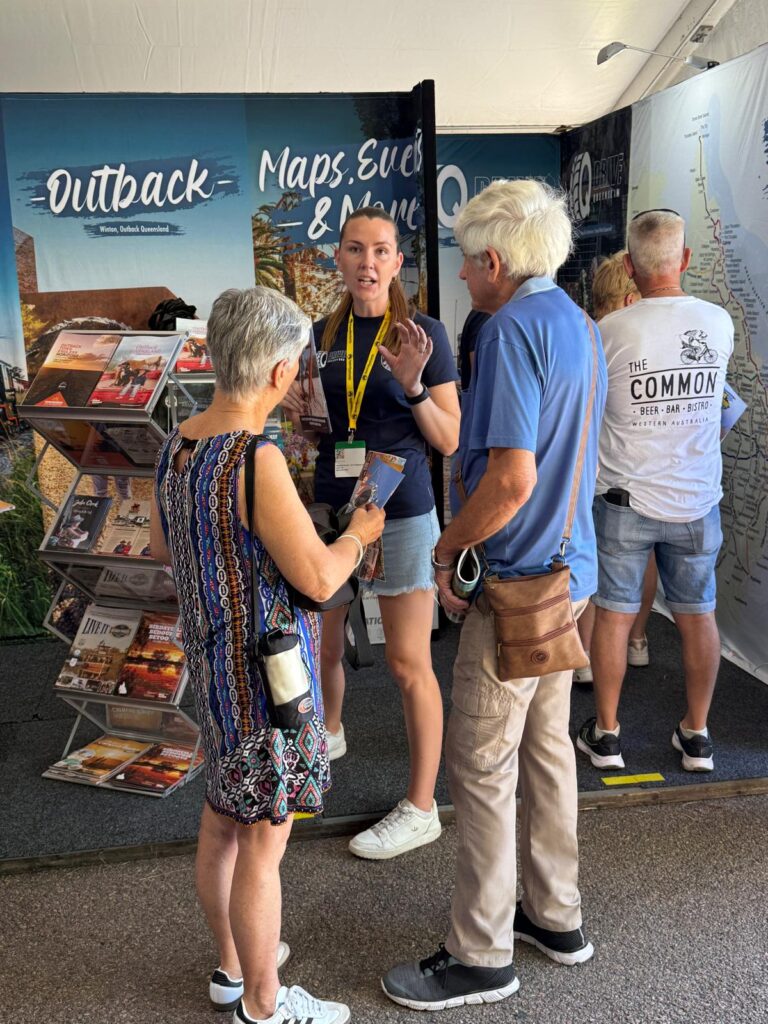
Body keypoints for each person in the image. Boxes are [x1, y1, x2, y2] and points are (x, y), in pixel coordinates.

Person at [382, 179, 606, 1010]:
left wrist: (448, 546)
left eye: (468, 262)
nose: (464, 277)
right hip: (569, 579)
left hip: (514, 585)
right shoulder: (577, 324)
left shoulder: (508, 329)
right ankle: (556, 916)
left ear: (496, 261)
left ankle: (480, 953)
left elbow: (510, 477)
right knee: (548, 752)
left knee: (480, 767)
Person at [151, 286, 384, 1024]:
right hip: (267, 680)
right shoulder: (257, 459)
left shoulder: (178, 443)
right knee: (263, 841)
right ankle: (264, 1004)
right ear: (283, 372)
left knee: (223, 822)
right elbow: (317, 575)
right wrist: (360, 536)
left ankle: (231, 966)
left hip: (214, 670)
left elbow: (165, 550)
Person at [283, 206, 460, 860]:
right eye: (355, 250)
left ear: (396, 261)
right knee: (323, 646)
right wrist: (303, 416)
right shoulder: (321, 331)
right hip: (333, 507)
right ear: (339, 258)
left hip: (401, 509)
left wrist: (414, 387)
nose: (367, 262)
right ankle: (326, 737)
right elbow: (321, 429)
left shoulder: (424, 333)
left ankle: (422, 808)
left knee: (408, 662)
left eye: (380, 251)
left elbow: (451, 437)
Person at [577, 210, 734, 773]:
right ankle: (697, 736)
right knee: (698, 615)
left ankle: (609, 735)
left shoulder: (608, 332)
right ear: (685, 260)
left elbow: (591, 413)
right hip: (697, 502)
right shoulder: (718, 323)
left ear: (628, 267)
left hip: (624, 500)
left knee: (615, 617)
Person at [574, 251, 655, 684]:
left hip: (599, 477)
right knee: (643, 563)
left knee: (591, 567)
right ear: (629, 297)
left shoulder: (590, 337)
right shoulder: (640, 337)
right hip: (652, 478)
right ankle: (637, 640)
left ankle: (586, 656)